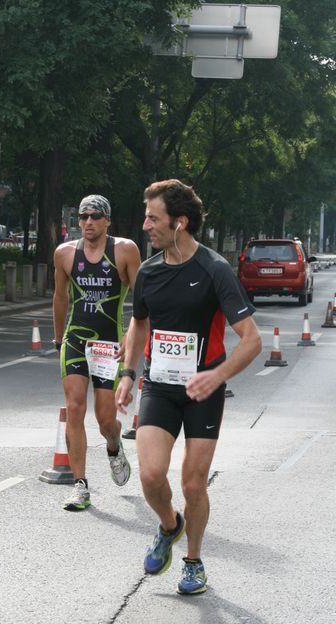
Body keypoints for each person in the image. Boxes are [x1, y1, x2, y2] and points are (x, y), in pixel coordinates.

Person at [115, 179, 262, 593]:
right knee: (150, 475)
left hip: (204, 391)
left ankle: (194, 562)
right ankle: (169, 525)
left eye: (153, 218)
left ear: (180, 223)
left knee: (193, 483)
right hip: (160, 386)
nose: (146, 225)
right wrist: (127, 373)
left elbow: (251, 340)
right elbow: (139, 322)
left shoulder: (214, 270)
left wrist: (218, 375)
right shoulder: (148, 272)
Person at [53, 194, 141, 511]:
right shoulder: (64, 254)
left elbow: (143, 303)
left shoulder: (126, 250)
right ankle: (80, 485)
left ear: (107, 221)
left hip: (109, 346)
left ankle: (114, 446)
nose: (88, 222)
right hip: (75, 340)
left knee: (105, 419)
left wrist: (133, 340)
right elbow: (59, 298)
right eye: (83, 217)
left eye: (95, 216)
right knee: (74, 408)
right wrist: (57, 338)